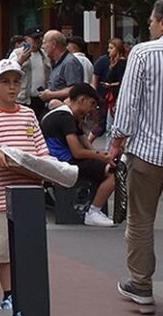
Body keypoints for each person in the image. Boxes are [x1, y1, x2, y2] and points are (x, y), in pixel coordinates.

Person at [0, 58, 49, 313]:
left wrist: (48, 168)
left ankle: (27, 290)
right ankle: (8, 293)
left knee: (28, 246)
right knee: (2, 248)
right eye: (5, 82)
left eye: (16, 82)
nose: (12, 88)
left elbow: (41, 151)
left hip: (29, 192)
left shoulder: (28, 114)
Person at [110, 0, 163, 307]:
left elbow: (128, 104)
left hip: (147, 152)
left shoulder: (144, 53)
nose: (149, 25)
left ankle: (141, 284)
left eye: (151, 21)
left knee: (141, 219)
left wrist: (117, 142)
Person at [40, 83, 116, 227]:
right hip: (64, 162)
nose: (92, 109)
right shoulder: (65, 118)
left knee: (107, 165)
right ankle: (94, 211)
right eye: (92, 104)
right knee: (115, 172)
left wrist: (100, 155)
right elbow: (78, 152)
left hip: (60, 160)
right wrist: (101, 157)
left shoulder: (67, 115)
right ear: (81, 100)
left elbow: (85, 142)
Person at [8, 29, 50, 116]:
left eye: (39, 38)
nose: (38, 41)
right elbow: (9, 71)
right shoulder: (17, 53)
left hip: (41, 98)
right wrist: (20, 61)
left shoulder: (44, 54)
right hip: (24, 99)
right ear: (26, 39)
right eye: (35, 38)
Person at [40, 30, 85, 110]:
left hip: (65, 112)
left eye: (44, 43)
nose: (42, 47)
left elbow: (75, 89)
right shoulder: (56, 63)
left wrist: (51, 95)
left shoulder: (70, 62)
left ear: (53, 44)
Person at [92, 37, 127, 138]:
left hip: (116, 97)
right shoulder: (111, 62)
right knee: (108, 124)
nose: (109, 50)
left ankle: (110, 149)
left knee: (110, 125)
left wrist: (110, 85)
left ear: (118, 49)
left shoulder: (121, 63)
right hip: (110, 96)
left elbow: (122, 82)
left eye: (111, 48)